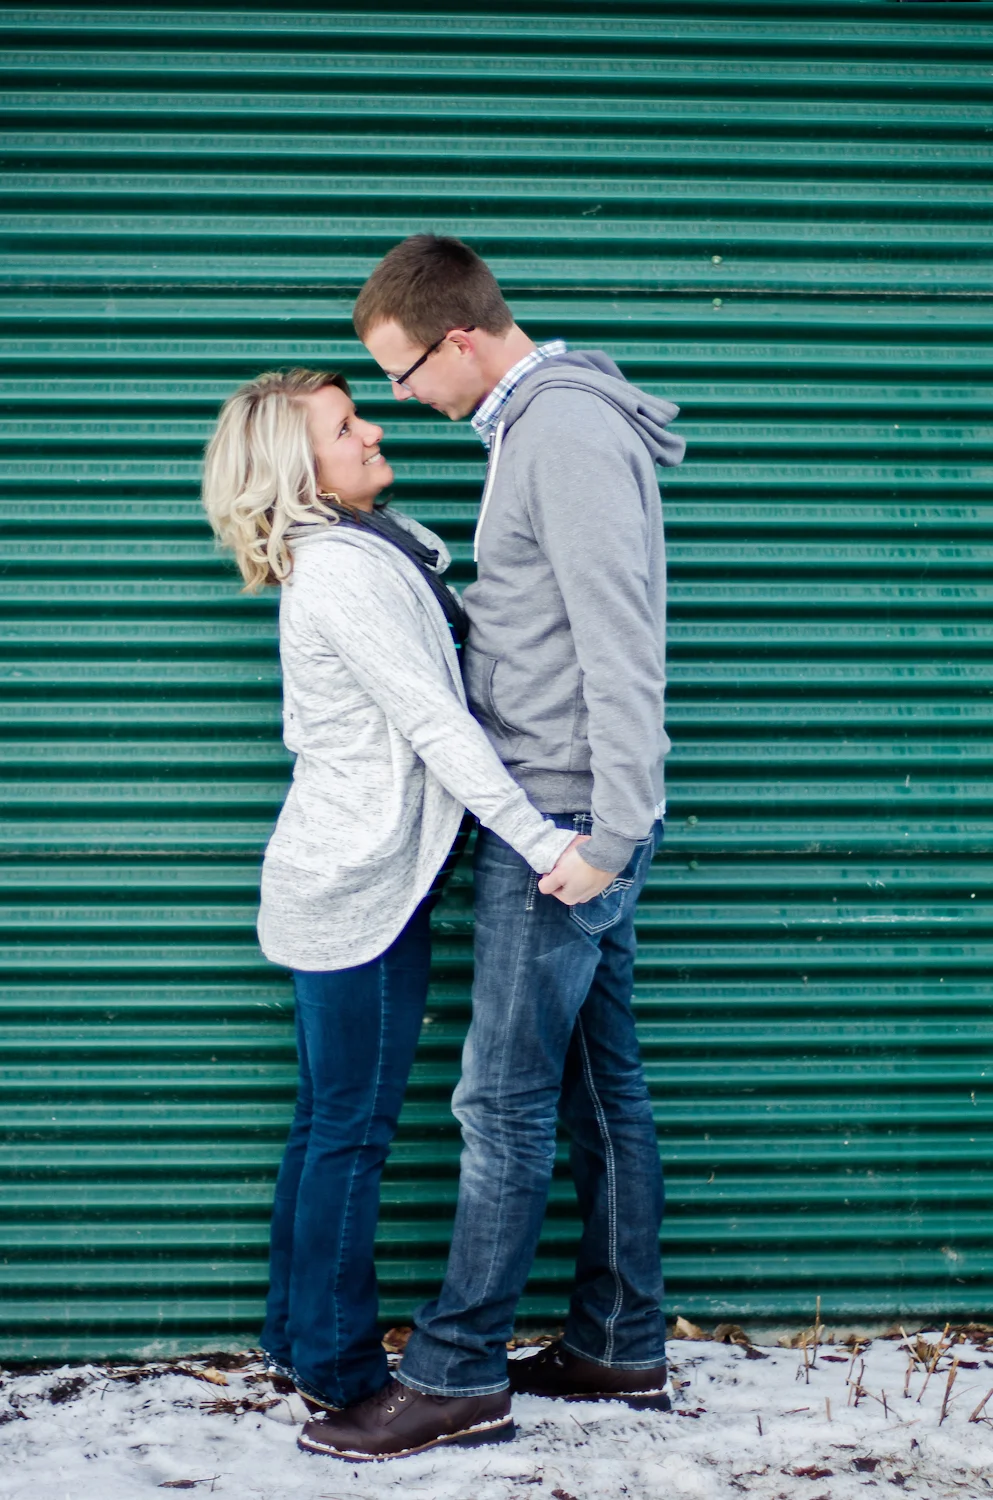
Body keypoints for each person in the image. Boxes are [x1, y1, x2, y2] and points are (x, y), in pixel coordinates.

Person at [297, 237, 685, 1462]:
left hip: (566, 819)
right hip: (571, 811)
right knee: (596, 1091)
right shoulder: (534, 427)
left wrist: (611, 835)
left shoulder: (561, 432)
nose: (400, 402)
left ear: (459, 339)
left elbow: (619, 644)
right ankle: (619, 1342)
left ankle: (459, 1370)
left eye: (403, 373)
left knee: (500, 1101)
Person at [200, 367, 578, 1442]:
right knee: (349, 1135)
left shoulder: (372, 549)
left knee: (327, 1125)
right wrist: (543, 840)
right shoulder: (343, 573)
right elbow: (438, 724)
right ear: (297, 470)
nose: (371, 431)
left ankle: (293, 1334)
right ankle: (338, 1368)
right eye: (343, 427)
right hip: (353, 891)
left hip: (354, 880)